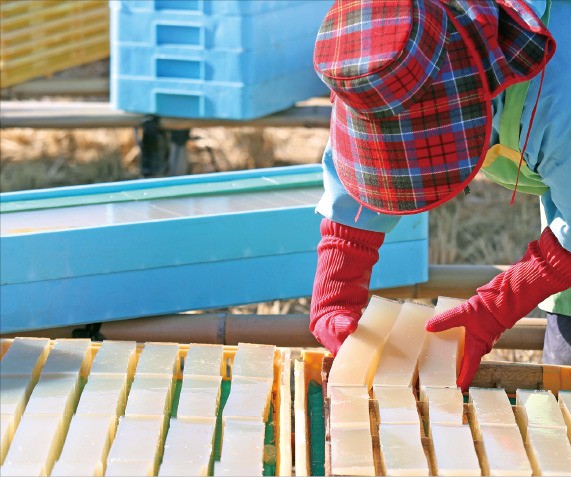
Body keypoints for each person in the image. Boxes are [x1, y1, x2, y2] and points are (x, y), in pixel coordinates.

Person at [309, 0, 571, 390]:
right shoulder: (384, 46)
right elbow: (361, 165)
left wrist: (498, 304)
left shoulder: (558, 97)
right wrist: (337, 287)